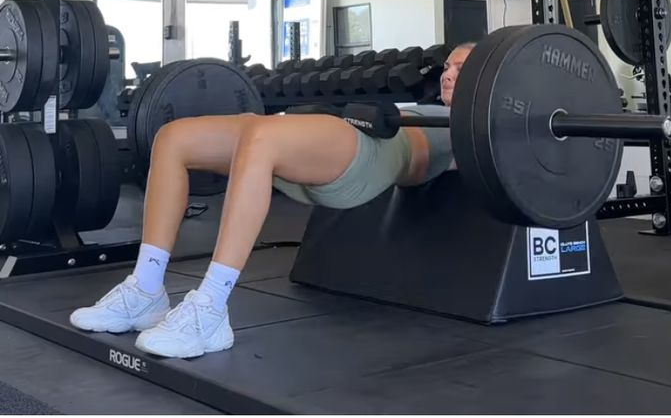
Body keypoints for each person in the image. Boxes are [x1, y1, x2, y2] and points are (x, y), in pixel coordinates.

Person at [70, 42, 475, 359]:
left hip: (372, 159)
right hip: (335, 145)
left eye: (462, 68)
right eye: (448, 67)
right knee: (174, 138)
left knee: (263, 136)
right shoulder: (420, 106)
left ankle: (211, 308)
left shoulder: (479, 126)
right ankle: (145, 289)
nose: (447, 75)